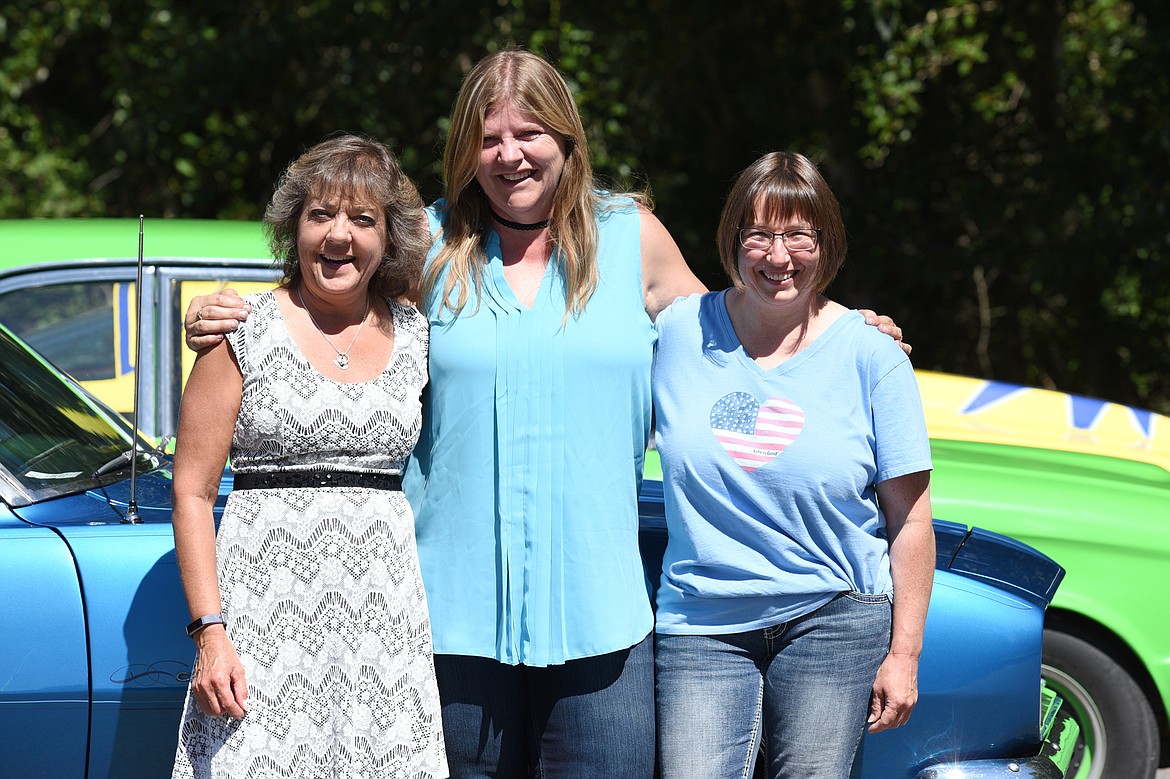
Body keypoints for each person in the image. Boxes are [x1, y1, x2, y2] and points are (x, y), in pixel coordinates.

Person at [182, 51, 906, 778]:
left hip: (603, 620)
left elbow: (733, 331)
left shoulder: (633, 238)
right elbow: (332, 288)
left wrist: (836, 328)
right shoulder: (426, 244)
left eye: (529, 133)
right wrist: (238, 311)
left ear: (567, 140)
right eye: (489, 137)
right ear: (466, 150)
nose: (510, 155)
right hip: (448, 623)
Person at [170, 135, 448, 779]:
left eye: (362, 219)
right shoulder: (238, 331)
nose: (338, 235)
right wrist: (210, 634)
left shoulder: (418, 334)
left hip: (385, 629)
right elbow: (192, 492)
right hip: (260, 628)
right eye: (320, 214)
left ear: (389, 238)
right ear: (293, 225)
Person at [650, 151, 935, 779]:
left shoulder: (872, 356)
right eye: (759, 234)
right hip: (701, 620)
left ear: (825, 243)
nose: (778, 256)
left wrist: (905, 654)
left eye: (798, 235)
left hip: (834, 617)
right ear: (733, 241)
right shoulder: (674, 336)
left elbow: (911, 521)